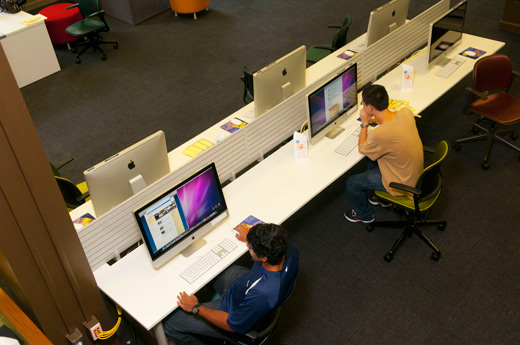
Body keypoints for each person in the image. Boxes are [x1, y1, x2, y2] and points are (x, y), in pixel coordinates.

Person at [163, 223, 299, 345]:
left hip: (233, 312)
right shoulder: (287, 249)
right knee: (211, 267)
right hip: (244, 284)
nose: (247, 246)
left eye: (250, 247)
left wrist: (196, 307)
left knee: (171, 323)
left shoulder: (263, 293)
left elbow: (231, 325)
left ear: (264, 258)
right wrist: (251, 238)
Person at [344, 84, 423, 223]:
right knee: (372, 157)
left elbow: (362, 148)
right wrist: (374, 119)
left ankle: (364, 216)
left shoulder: (379, 134)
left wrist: (364, 123)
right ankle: (380, 199)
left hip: (401, 183)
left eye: (363, 104)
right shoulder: (406, 112)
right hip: (414, 173)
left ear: (370, 108)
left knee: (352, 183)